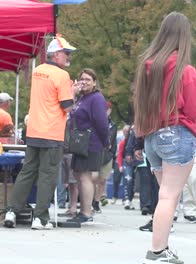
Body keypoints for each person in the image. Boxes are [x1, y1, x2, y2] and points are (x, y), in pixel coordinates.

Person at [133, 12, 196, 263]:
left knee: (165, 195)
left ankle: (161, 248)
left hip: (152, 136)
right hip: (177, 133)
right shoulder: (185, 70)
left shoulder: (148, 66)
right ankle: (157, 251)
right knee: (169, 196)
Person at [4, 34, 75, 230]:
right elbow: (67, 107)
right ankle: (41, 218)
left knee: (27, 172)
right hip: (52, 132)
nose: (69, 57)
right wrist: (73, 92)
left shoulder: (38, 71)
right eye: (67, 53)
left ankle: (11, 211)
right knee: (47, 175)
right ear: (56, 54)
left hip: (33, 130)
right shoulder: (62, 75)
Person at [66, 68, 109, 224]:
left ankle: (86, 212)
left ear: (94, 83)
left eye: (88, 79)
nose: (84, 82)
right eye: (82, 79)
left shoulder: (96, 98)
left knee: (85, 177)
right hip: (79, 143)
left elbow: (102, 123)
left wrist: (105, 142)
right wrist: (73, 94)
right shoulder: (82, 98)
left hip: (91, 143)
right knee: (79, 175)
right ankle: (82, 210)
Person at [93, 101, 118, 212]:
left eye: (107, 109)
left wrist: (112, 154)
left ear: (110, 111)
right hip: (95, 153)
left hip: (107, 155)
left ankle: (97, 201)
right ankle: (91, 199)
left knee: (102, 180)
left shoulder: (113, 125)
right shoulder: (95, 122)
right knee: (93, 178)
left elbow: (114, 141)